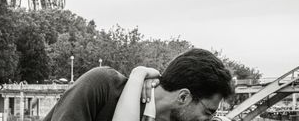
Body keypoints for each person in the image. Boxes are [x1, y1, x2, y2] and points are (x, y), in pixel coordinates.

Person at [42, 48, 234, 121]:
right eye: (208, 112)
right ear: (184, 97)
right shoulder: (102, 85)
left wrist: (137, 76)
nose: (208, 120)